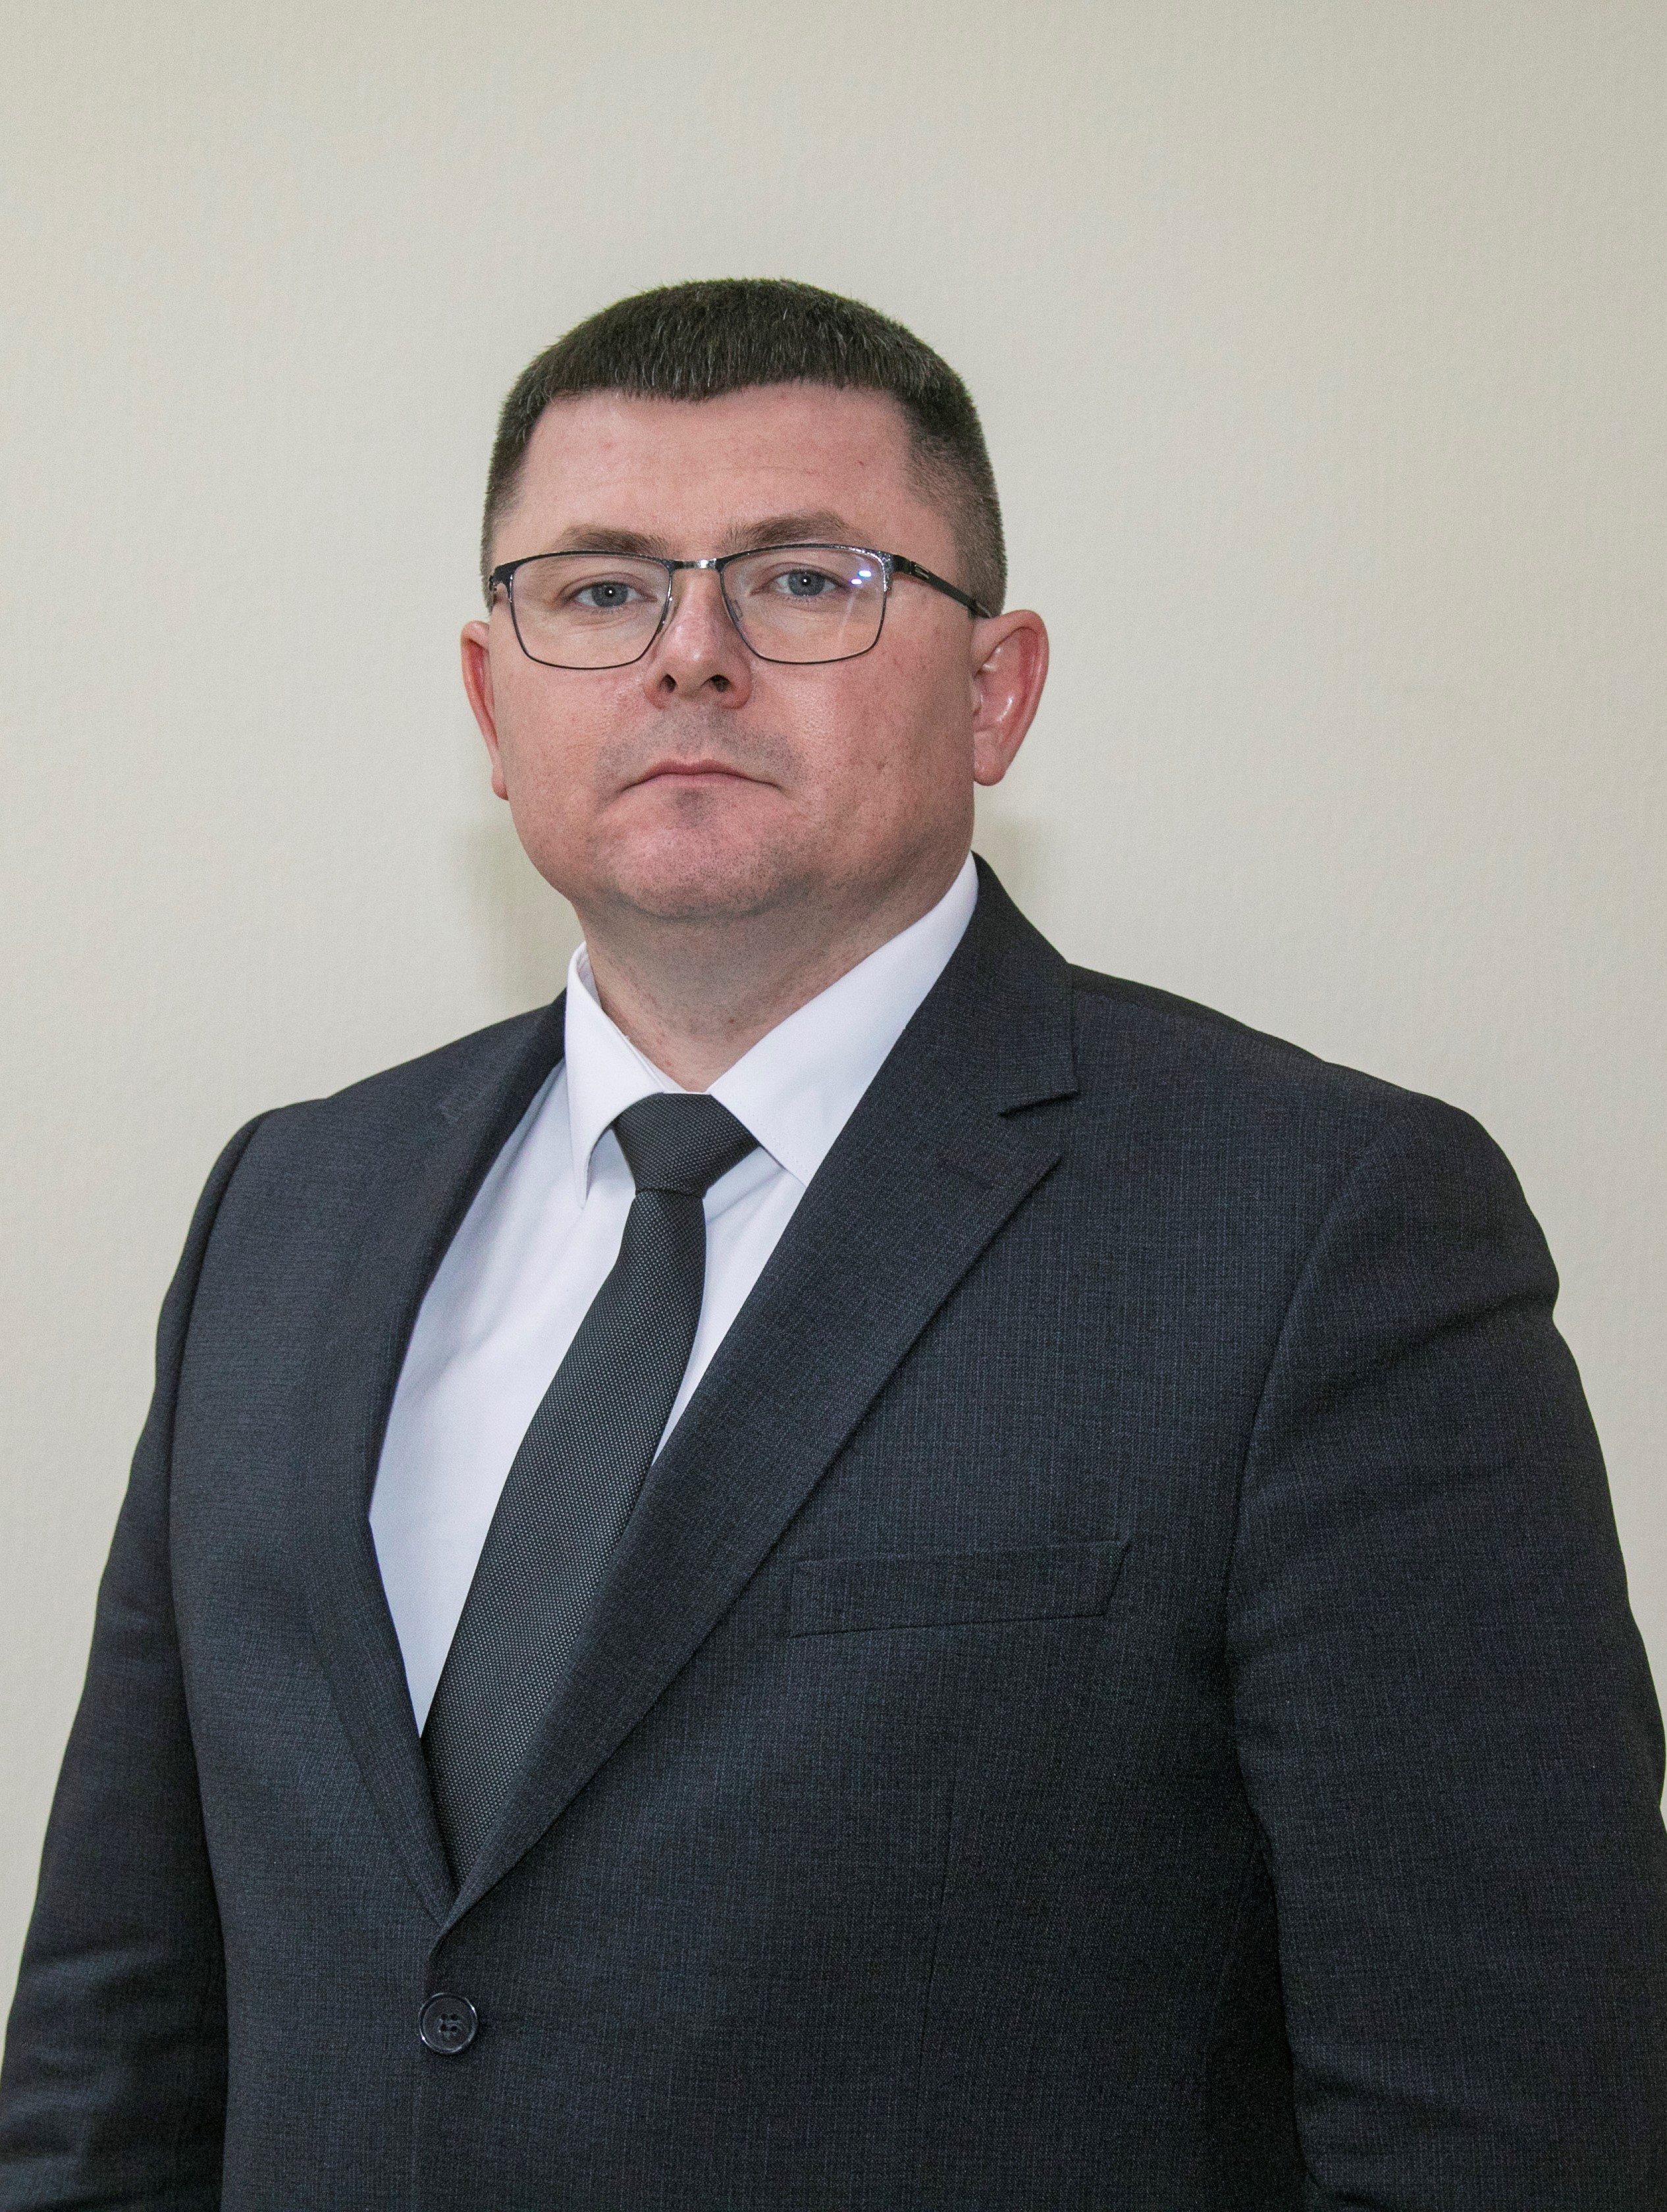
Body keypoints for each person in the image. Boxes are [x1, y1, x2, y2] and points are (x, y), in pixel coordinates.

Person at [1, 277, 1662, 2211]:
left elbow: (1513, 2127)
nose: (689, 659)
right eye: (600, 590)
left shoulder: (1317, 1232)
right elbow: (116, 2042)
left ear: (996, 690)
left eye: (805, 582)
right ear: (489, 699)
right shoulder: (289, 1207)